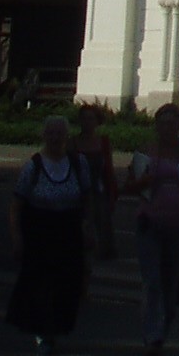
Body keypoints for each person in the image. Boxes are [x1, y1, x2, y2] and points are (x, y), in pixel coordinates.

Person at [4, 118, 90, 354]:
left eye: (59, 133)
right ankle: (43, 334)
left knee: (65, 287)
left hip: (68, 233)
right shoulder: (33, 166)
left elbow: (87, 198)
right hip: (40, 235)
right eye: (50, 133)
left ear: (66, 136)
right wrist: (17, 237)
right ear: (43, 136)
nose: (55, 138)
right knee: (41, 287)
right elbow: (16, 205)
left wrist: (88, 227)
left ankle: (54, 330)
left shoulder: (78, 163)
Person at [124, 108, 179, 353]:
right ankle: (152, 337)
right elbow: (129, 185)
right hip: (149, 223)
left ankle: (161, 329)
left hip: (177, 226)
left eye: (171, 124)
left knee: (170, 290)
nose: (166, 129)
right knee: (152, 282)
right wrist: (143, 182)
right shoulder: (146, 150)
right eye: (162, 124)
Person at [67, 110, 115, 265]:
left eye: (91, 119)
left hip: (98, 190)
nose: (87, 122)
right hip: (77, 191)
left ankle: (99, 260)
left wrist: (112, 193)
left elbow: (108, 169)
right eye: (84, 119)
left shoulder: (103, 142)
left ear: (97, 121)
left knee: (100, 226)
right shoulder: (72, 143)